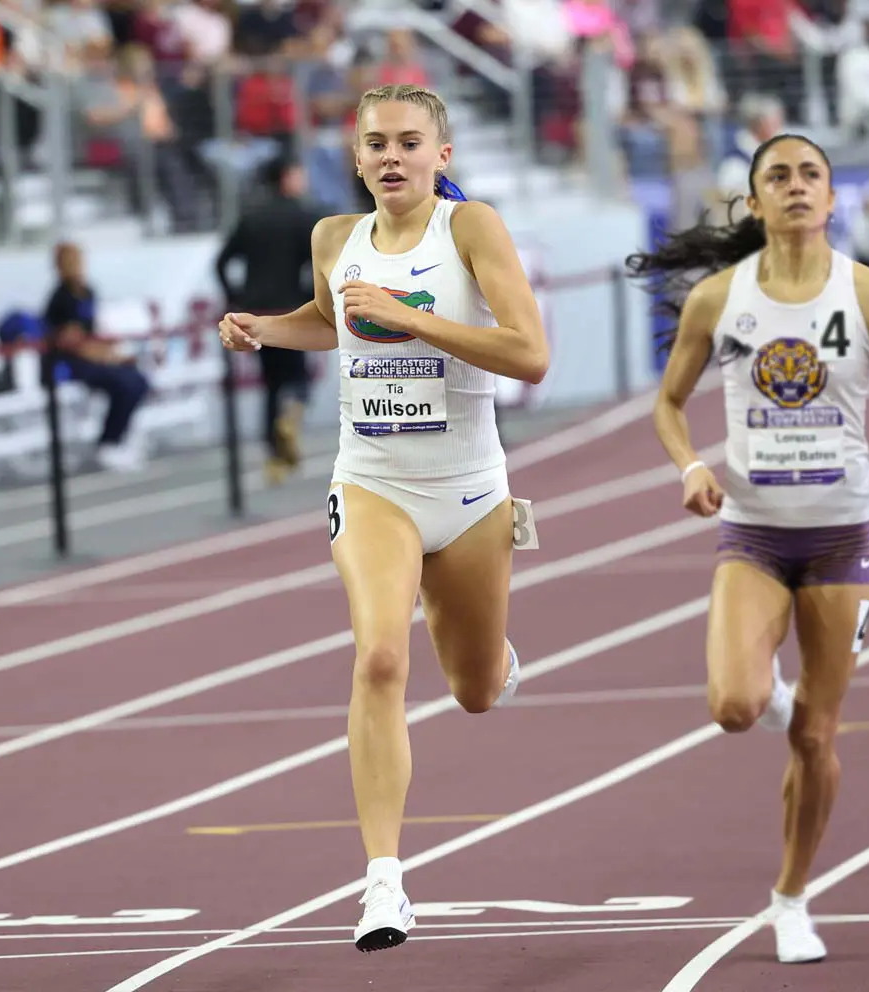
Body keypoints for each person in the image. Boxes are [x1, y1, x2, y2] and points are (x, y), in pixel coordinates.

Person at [219, 83, 548, 953]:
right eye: (376, 144)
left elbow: (530, 355)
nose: (392, 156)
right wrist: (264, 330)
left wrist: (409, 318)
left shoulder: (470, 230)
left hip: (469, 490)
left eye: (409, 142)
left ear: (442, 155)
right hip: (372, 482)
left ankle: (492, 654)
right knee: (380, 656)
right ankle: (383, 885)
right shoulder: (335, 237)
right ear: (357, 158)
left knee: (475, 691)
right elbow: (330, 323)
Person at [626, 133, 869, 965]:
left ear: (832, 198)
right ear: (757, 200)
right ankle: (769, 692)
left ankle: (791, 898)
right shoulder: (718, 298)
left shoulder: (868, 294)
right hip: (756, 533)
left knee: (816, 736)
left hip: (843, 538)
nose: (797, 186)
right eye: (780, 176)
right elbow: (668, 404)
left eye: (811, 175)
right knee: (734, 705)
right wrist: (691, 465)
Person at [214, 155, 324, 483]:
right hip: (290, 311)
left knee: (271, 383)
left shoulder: (251, 217)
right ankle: (292, 416)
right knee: (299, 377)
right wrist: (309, 296)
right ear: (287, 177)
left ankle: (274, 458)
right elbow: (320, 263)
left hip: (255, 313)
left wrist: (235, 297)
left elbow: (221, 262)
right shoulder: (304, 216)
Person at [43, 241, 151, 472]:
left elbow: (91, 332)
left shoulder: (89, 292)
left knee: (138, 380)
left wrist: (111, 353)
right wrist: (104, 356)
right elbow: (71, 342)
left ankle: (117, 437)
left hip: (94, 356)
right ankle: (108, 443)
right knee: (125, 384)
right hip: (71, 363)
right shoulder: (60, 299)